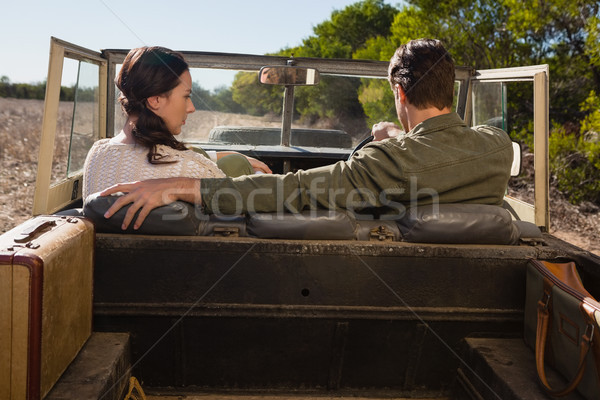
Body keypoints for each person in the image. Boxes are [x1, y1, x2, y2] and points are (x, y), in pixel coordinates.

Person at [100, 38, 514, 230]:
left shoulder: (385, 163)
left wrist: (188, 185)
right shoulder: (495, 147)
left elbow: (293, 190)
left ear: (400, 92)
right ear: (452, 89)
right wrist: (398, 138)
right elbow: (445, 151)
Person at [83, 46, 271, 201]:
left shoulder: (96, 155)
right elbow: (242, 203)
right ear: (155, 100)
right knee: (237, 164)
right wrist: (255, 174)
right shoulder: (193, 169)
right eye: (186, 96)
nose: (191, 108)